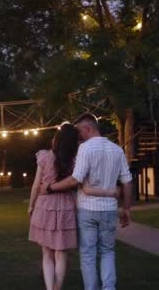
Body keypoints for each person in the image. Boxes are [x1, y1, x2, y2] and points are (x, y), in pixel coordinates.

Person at [42, 113, 133, 290]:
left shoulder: (85, 149)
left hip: (87, 209)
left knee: (88, 254)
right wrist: (126, 209)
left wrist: (50, 188)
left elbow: (76, 179)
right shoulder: (117, 149)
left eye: (79, 131)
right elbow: (127, 182)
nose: (78, 136)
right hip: (109, 209)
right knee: (107, 251)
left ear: (88, 128)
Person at [28, 123, 118, 290]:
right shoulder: (75, 160)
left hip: (44, 205)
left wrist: (31, 206)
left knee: (47, 252)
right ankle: (58, 287)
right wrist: (109, 192)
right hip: (65, 207)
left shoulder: (45, 157)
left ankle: (50, 288)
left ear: (58, 139)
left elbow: (35, 185)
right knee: (61, 253)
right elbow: (81, 185)